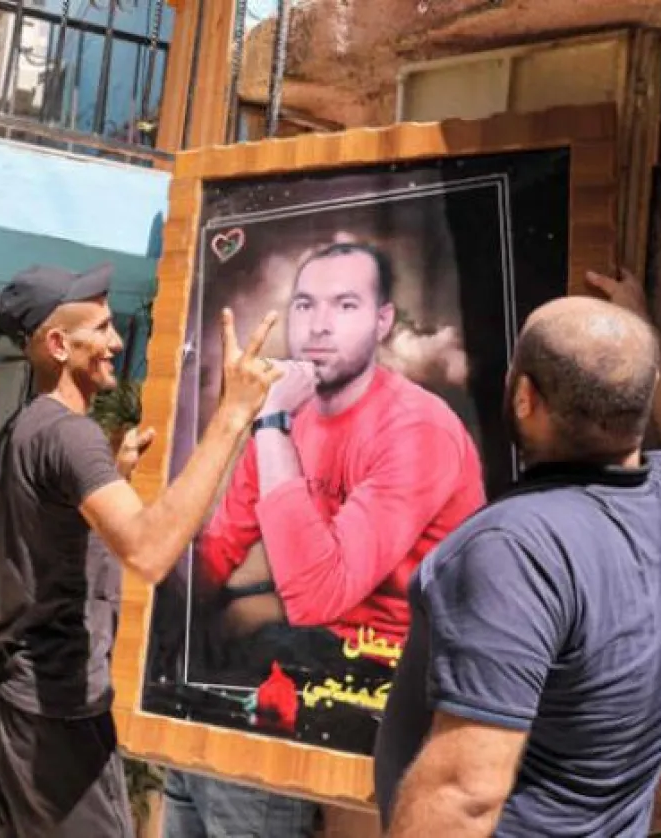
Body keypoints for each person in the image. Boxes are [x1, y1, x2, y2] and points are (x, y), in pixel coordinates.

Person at [373, 267, 661, 837]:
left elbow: (465, 795)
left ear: (523, 397)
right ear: (644, 397)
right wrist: (639, 327)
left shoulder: (513, 551)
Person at [163, 240, 486, 837]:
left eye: (344, 305)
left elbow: (318, 594)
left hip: (399, 677)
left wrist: (271, 423)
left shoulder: (415, 429)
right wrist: (159, 633)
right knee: (193, 684)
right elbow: (217, 549)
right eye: (306, 305)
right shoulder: (293, 420)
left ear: (382, 320)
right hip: (308, 655)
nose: (318, 326)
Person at [0, 263, 284, 837]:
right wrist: (234, 413)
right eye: (101, 328)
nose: (117, 342)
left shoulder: (22, 431)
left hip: (18, 700)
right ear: (59, 344)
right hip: (58, 713)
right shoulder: (70, 435)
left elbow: (51, 541)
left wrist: (111, 479)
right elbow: (148, 552)